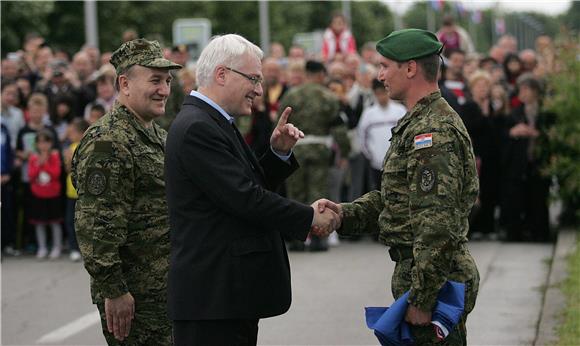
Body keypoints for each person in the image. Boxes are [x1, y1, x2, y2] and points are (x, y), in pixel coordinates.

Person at [164, 34, 339, 346]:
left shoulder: (213, 121)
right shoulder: (198, 127)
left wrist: (277, 154)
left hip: (226, 296)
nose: (259, 90)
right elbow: (244, 198)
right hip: (212, 298)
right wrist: (308, 216)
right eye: (253, 79)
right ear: (222, 74)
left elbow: (238, 188)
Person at [316, 29, 480, 345]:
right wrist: (343, 215)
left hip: (433, 278)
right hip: (421, 271)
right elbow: (398, 198)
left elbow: (436, 222)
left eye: (385, 66)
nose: (379, 75)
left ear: (410, 68)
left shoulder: (432, 131)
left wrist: (422, 296)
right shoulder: (418, 121)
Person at [71, 38, 182, 345]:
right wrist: (115, 290)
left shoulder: (155, 132)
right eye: (155, 80)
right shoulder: (108, 142)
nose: (164, 90)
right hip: (136, 296)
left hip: (165, 288)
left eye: (168, 81)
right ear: (125, 83)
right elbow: (95, 225)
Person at [279, 60, 350, 252]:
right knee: (318, 196)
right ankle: (319, 239)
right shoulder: (328, 97)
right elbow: (339, 129)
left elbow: (280, 124)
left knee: (296, 195)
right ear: (320, 75)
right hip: (319, 150)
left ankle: (297, 239)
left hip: (296, 150)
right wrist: (345, 151)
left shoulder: (291, 95)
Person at [500, 74, 554, 242]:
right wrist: (513, 133)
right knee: (516, 199)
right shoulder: (515, 112)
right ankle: (515, 233)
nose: (521, 93)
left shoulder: (546, 112)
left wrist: (536, 134)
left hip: (539, 163)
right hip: (518, 164)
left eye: (525, 89)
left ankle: (539, 233)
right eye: (520, 89)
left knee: (538, 199)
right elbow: (502, 135)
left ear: (535, 91)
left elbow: (553, 136)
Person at [357, 78, 406, 191]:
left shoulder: (400, 111)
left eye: (383, 93)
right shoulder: (369, 114)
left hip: (398, 163)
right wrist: (371, 156)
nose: (381, 97)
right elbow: (362, 137)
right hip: (376, 164)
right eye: (378, 94)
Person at [27, 129, 63, 259]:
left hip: (53, 194)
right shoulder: (33, 157)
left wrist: (45, 164)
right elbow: (30, 176)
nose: (43, 145)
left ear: (51, 143)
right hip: (38, 195)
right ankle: (42, 248)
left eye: (46, 142)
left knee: (55, 222)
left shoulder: (55, 156)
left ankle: (56, 247)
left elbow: (56, 174)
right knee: (39, 223)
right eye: (40, 142)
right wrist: (38, 165)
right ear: (36, 144)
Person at [64, 118, 89, 262]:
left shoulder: (81, 146)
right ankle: (74, 248)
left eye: (72, 131)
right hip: (71, 192)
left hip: (81, 193)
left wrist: (68, 159)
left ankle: (79, 249)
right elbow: (68, 170)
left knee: (80, 223)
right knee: (70, 221)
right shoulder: (71, 146)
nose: (69, 134)